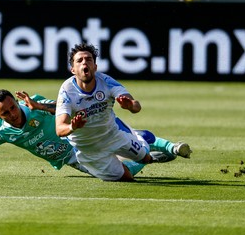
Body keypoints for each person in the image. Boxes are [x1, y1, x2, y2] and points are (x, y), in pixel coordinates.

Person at [0, 89, 186, 178]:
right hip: (71, 159)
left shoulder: (33, 105)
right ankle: (148, 150)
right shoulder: (2, 131)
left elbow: (64, 107)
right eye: (5, 113)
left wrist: (39, 107)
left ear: (16, 102)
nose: (12, 114)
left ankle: (146, 141)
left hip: (79, 137)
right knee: (126, 174)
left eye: (12, 107)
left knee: (123, 161)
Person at [55, 43, 192, 182]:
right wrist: (72, 126)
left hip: (112, 135)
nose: (85, 63)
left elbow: (136, 106)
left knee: (144, 157)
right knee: (127, 177)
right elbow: (60, 129)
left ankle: (143, 141)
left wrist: (130, 105)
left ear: (95, 67)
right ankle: (150, 151)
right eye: (79, 60)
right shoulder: (67, 91)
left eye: (89, 59)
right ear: (73, 69)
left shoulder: (106, 81)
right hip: (88, 149)